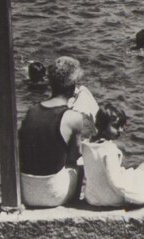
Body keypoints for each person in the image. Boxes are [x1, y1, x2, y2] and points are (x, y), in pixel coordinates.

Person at [18, 56, 92, 208]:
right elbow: (74, 156)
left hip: (26, 192)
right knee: (83, 160)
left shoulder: (31, 111)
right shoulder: (73, 117)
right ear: (73, 87)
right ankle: (76, 204)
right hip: (53, 194)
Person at [81, 103, 144, 207]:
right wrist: (140, 197)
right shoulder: (109, 149)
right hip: (112, 199)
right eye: (116, 126)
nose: (121, 130)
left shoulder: (86, 145)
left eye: (122, 126)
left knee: (130, 172)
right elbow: (116, 183)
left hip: (93, 198)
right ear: (103, 124)